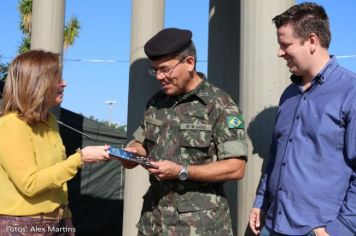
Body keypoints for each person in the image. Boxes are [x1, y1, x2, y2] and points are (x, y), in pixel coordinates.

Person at [121, 28, 247, 235]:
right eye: (155, 70)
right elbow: (141, 143)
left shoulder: (220, 104)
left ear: (189, 63)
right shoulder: (156, 102)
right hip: (154, 222)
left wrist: (182, 170)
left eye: (165, 69)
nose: (159, 77)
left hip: (200, 226)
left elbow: (236, 168)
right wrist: (132, 154)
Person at [249, 2, 356, 236]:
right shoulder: (288, 95)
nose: (279, 52)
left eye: (285, 45)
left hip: (319, 230)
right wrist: (260, 201)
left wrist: (342, 229)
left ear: (311, 41)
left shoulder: (351, 92)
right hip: (272, 224)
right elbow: (276, 154)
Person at [0, 50, 110, 235]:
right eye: (57, 78)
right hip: (21, 225)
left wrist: (65, 217)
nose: (64, 83)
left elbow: (56, 180)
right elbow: (30, 184)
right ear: (37, 83)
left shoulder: (49, 120)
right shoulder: (10, 126)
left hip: (56, 221)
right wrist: (79, 159)